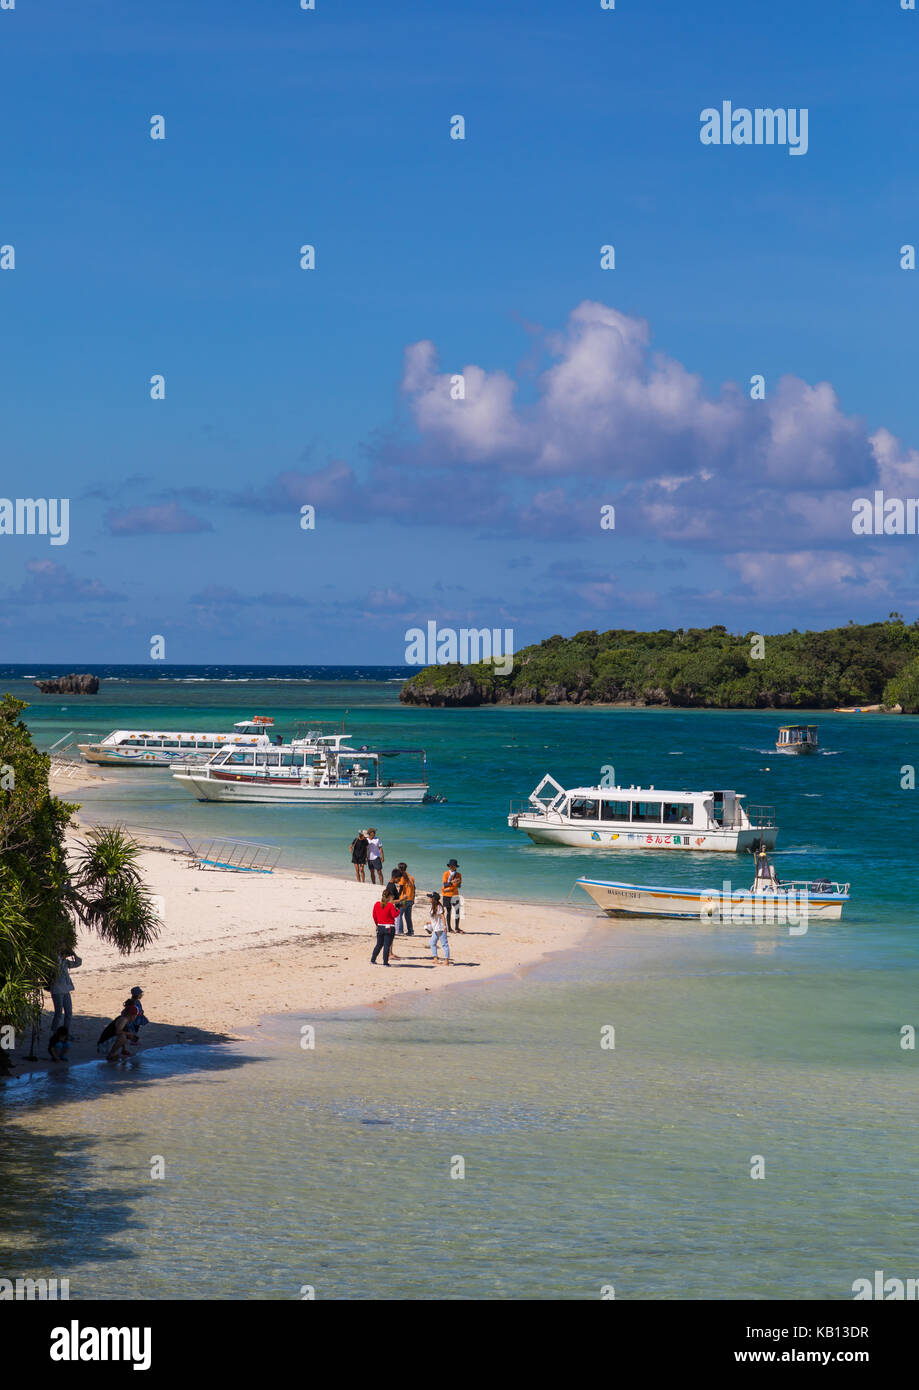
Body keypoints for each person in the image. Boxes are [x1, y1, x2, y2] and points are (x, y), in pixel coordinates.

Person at [49, 951, 82, 1034]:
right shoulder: (55, 963)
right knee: (59, 1013)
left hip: (66, 990)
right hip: (57, 990)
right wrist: (61, 956)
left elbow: (78, 963)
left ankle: (65, 1033)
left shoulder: (66, 963)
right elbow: (57, 963)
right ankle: (54, 1032)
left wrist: (74, 954)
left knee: (69, 1012)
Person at [370, 888, 400, 966]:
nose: (393, 898)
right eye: (392, 897)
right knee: (387, 945)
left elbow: (374, 916)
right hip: (389, 928)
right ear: (389, 897)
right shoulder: (390, 905)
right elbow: (394, 915)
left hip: (380, 927)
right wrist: (398, 910)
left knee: (379, 944)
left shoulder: (377, 904)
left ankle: (373, 960)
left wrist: (377, 924)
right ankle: (385, 962)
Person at [426, 892, 451, 964]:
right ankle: (435, 958)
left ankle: (446, 961)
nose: (429, 898)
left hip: (440, 929)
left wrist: (445, 927)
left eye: (430, 897)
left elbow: (442, 917)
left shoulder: (439, 907)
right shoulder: (433, 906)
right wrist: (430, 922)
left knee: (444, 944)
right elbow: (435, 919)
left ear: (434, 899)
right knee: (432, 942)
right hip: (436, 929)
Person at [441, 859, 463, 932]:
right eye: (451, 866)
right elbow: (445, 885)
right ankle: (449, 928)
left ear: (456, 867)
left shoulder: (459, 875)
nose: (452, 867)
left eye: (453, 866)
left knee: (457, 911)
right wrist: (452, 882)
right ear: (449, 866)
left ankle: (457, 927)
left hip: (455, 894)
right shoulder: (446, 874)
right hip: (447, 894)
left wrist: (458, 882)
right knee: (448, 911)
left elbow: (459, 886)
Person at [396, 861, 415, 936]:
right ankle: (411, 931)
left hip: (403, 900)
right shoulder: (411, 877)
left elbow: (401, 889)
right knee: (408, 916)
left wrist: (397, 897)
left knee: (399, 914)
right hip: (410, 899)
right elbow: (414, 889)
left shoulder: (402, 878)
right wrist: (413, 898)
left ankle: (400, 931)